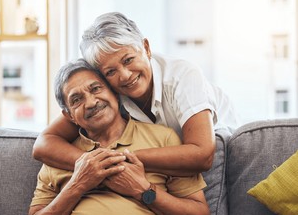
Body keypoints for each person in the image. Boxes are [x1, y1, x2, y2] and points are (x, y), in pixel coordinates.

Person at [0, 59, 211, 215]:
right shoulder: (59, 155)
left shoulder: (162, 139)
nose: (90, 103)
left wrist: (143, 190)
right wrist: (78, 184)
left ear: (115, 93)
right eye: (77, 99)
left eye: (96, 89)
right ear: (70, 116)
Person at [32, 12, 240, 176]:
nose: (124, 76)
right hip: (162, 168)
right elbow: (44, 144)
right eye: (110, 72)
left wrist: (119, 158)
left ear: (146, 48)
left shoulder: (183, 75)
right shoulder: (107, 93)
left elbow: (202, 154)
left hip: (224, 161)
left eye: (128, 60)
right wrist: (93, 164)